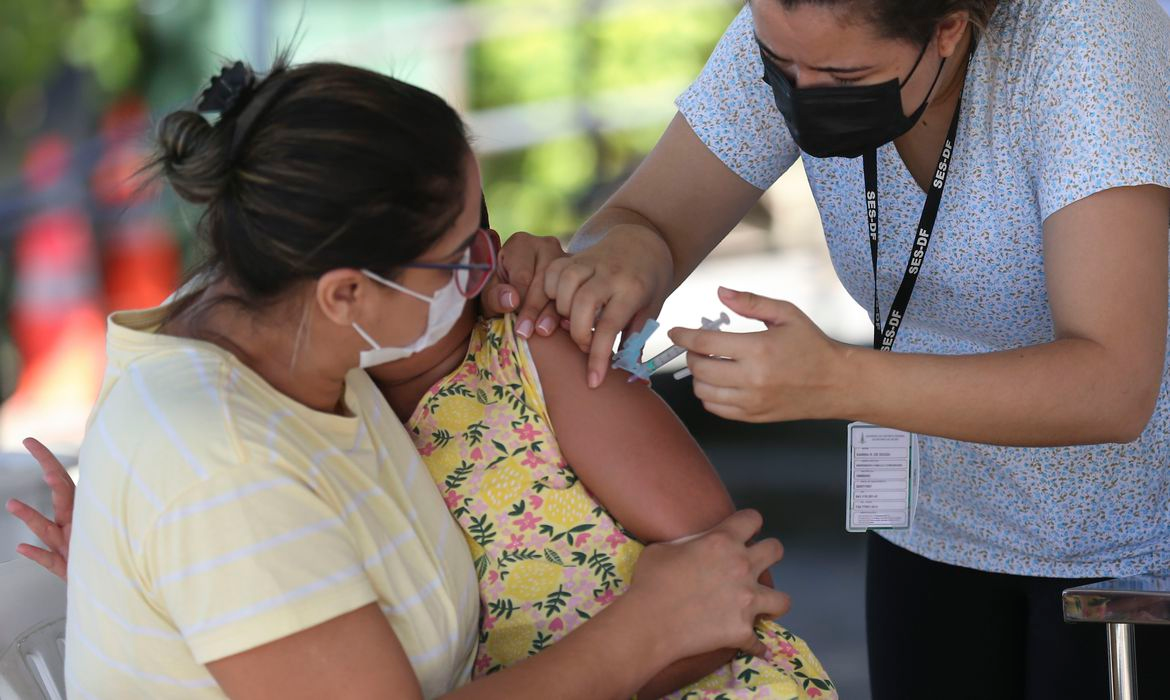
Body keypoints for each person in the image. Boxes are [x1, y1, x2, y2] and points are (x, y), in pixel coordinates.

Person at [3, 57, 790, 700]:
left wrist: (162, 583)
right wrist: (647, 628)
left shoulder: (282, 338)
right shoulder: (223, 461)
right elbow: (220, 493)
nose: (495, 266)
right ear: (345, 293)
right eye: (459, 257)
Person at [480, 1, 1170, 698]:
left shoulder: (1086, 39)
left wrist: (836, 381)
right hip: (929, 520)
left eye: (845, 76)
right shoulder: (795, 27)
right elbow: (647, 218)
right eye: (780, 67)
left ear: (949, 29)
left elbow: (1113, 384)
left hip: (1128, 549)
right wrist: (619, 258)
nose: (802, 94)